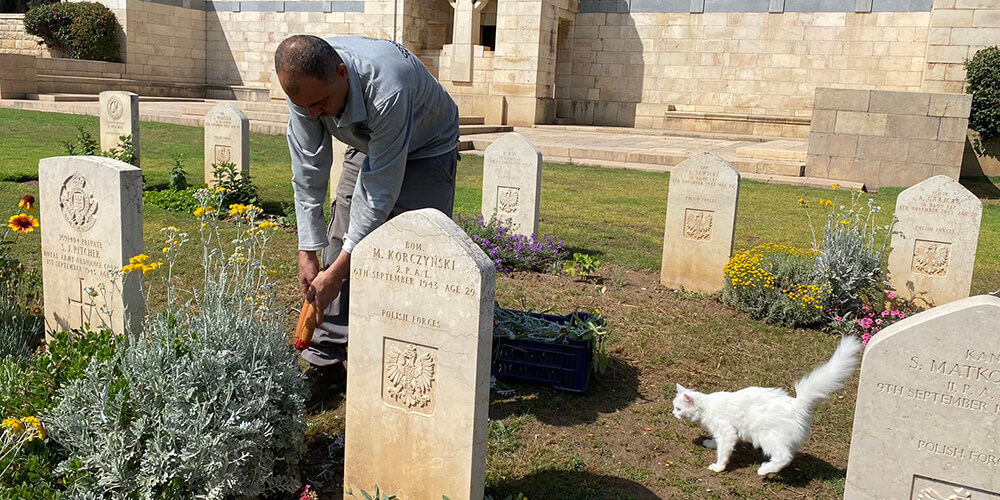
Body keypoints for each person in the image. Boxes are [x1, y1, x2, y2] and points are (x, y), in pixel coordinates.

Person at [275, 35, 460, 402]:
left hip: (427, 146)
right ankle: (326, 362)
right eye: (304, 106)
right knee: (338, 235)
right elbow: (308, 170)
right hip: (367, 141)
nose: (314, 113)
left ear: (342, 73)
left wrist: (342, 269)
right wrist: (308, 250)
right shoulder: (306, 89)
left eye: (320, 103)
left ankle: (408, 359)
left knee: (415, 254)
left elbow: (378, 192)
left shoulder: (388, 86)